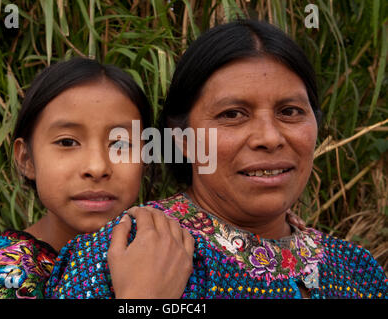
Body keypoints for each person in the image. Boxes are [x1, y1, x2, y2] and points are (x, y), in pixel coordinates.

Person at [45, 20, 387, 299]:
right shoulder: (125, 251)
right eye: (233, 114)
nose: (269, 137)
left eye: (290, 111)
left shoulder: (355, 268)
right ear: (181, 139)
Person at [0, 57, 195, 299]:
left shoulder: (168, 251)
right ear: (26, 159)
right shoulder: (2, 277)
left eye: (120, 143)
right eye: (67, 142)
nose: (97, 167)